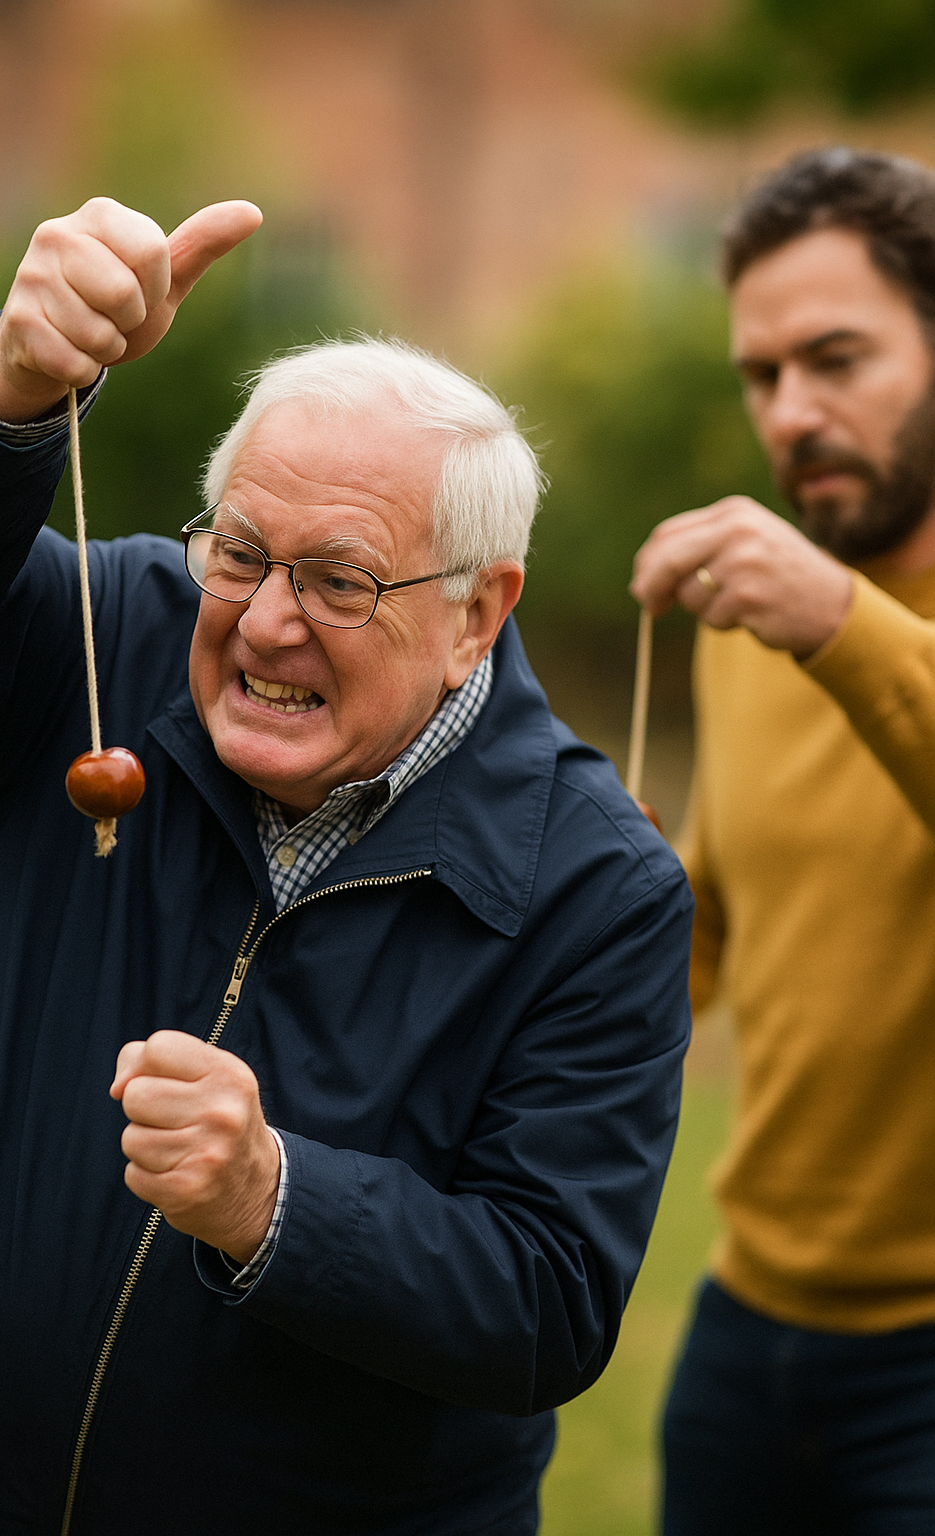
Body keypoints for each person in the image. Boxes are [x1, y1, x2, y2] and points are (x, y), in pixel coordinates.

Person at [0, 196, 692, 1536]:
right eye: (240, 552)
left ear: (477, 612)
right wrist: (3, 390)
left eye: (340, 581)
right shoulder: (107, 646)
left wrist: (276, 1199)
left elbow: (550, 1300)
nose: (267, 624)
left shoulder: (597, 884)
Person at [631, 146, 935, 1535]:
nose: (792, 411)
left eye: (836, 359)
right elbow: (712, 934)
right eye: (762, 375)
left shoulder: (807, 613)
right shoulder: (749, 627)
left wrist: (837, 622)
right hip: (748, 1329)